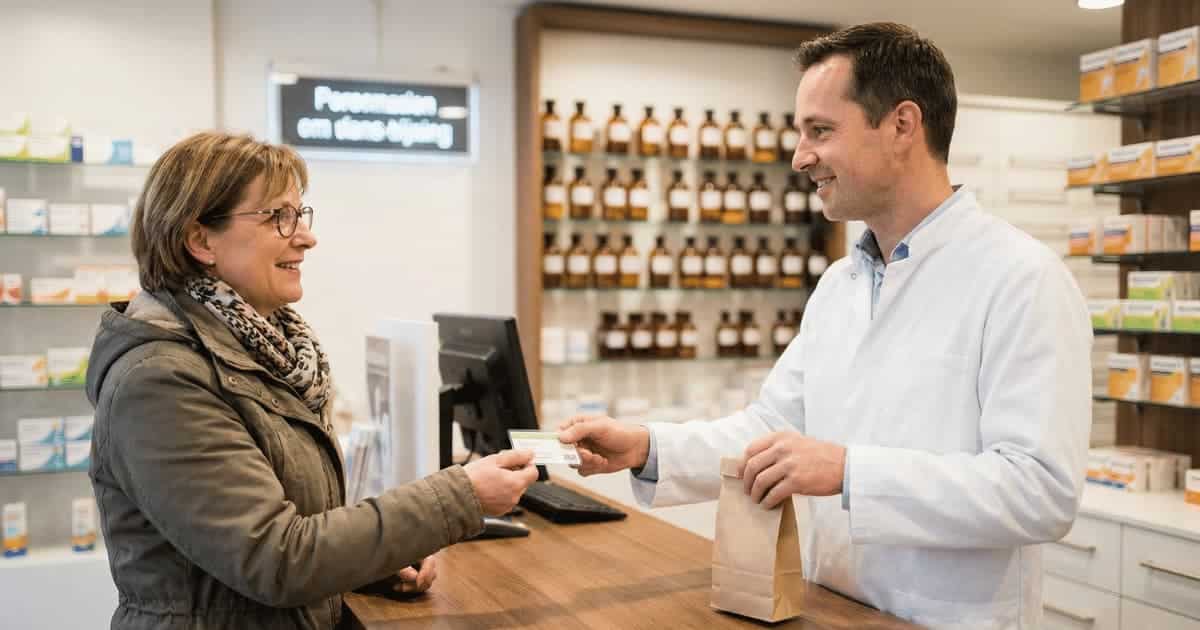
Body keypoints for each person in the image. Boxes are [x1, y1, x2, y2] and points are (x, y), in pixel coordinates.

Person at [559, 23, 1091, 629]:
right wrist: (648, 447)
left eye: (820, 131)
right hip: (834, 609)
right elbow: (773, 430)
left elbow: (1040, 491)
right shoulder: (842, 282)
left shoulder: (1021, 279)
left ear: (902, 125)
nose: (799, 157)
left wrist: (848, 472)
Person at [85, 131, 538, 630]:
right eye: (278, 217)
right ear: (200, 240)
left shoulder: (267, 353)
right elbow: (275, 560)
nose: (305, 236)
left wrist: (366, 565)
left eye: (300, 214)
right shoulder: (161, 381)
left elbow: (285, 539)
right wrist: (460, 496)